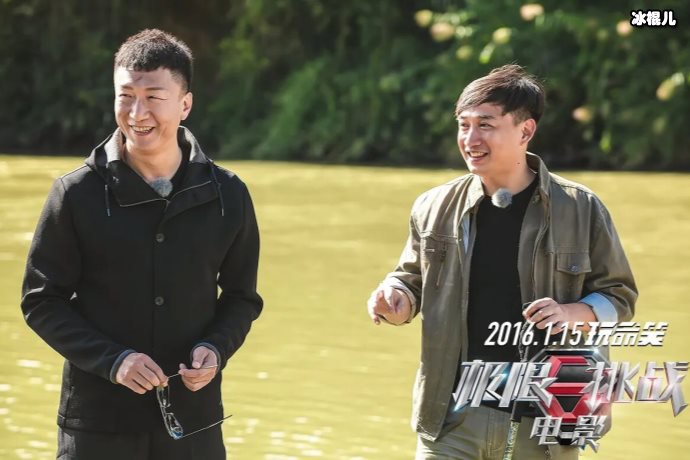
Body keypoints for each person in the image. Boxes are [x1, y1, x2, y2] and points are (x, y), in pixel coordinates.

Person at [367, 65, 637, 459]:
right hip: (450, 419)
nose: (470, 139)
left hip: (547, 423)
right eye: (463, 125)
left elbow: (619, 297)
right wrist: (395, 300)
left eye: (485, 125)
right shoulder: (432, 207)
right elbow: (410, 281)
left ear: (525, 131)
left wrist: (570, 313)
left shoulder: (581, 208)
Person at [21, 29, 262, 460]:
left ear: (185, 104)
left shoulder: (229, 195)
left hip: (194, 426)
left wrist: (216, 348)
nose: (137, 113)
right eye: (126, 96)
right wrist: (113, 361)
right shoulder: (75, 193)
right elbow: (41, 301)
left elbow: (242, 298)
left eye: (153, 97)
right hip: (97, 426)